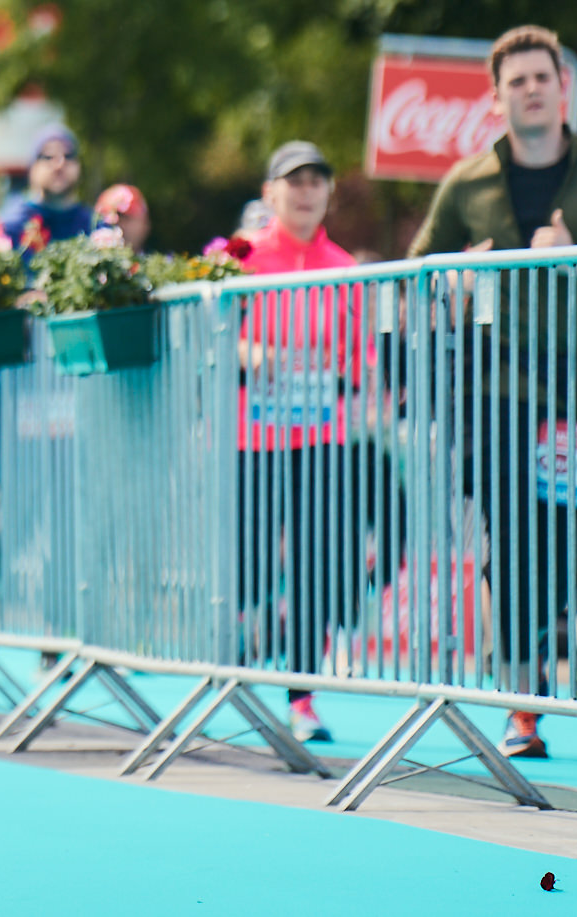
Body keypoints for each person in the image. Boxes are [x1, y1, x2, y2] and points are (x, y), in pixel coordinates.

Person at [407, 24, 577, 757]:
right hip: (496, 389)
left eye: (542, 76)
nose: (531, 89)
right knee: (510, 542)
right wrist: (449, 275)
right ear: (496, 97)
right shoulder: (467, 182)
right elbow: (416, 275)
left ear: (563, 86)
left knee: (573, 546)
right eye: (516, 80)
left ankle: (547, 639)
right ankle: (523, 707)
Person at [232, 143, 365, 744]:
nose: (306, 191)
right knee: (249, 568)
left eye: (316, 180)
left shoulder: (345, 267)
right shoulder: (240, 259)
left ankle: (302, 697)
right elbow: (213, 337)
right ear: (270, 193)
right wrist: (252, 354)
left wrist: (331, 366)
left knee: (314, 570)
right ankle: (228, 675)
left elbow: (359, 360)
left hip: (320, 439)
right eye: (294, 181)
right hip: (252, 439)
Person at [0, 124, 93, 253]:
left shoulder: (97, 229)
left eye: (68, 156)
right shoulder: (10, 230)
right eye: (48, 156)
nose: (59, 164)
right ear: (32, 169)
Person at [94, 184, 151, 253]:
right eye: (108, 221)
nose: (119, 226)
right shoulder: (87, 258)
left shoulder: (157, 262)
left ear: (144, 224)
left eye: (126, 218)